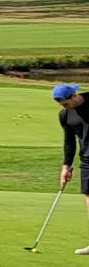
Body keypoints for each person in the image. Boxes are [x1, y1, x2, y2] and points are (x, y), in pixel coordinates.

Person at [55, 84, 89, 255]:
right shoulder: (65, 115)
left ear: (74, 95)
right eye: (62, 105)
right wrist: (66, 167)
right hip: (87, 160)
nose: (65, 107)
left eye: (66, 103)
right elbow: (69, 141)